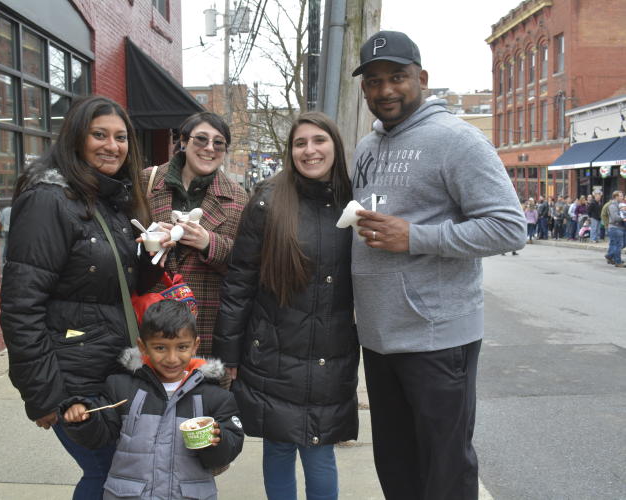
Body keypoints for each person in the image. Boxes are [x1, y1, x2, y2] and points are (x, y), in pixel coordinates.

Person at [349, 31, 526, 499]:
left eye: (397, 78)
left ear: (422, 78)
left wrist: (415, 237)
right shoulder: (366, 148)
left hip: (436, 336)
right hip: (379, 336)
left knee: (445, 469)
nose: (385, 90)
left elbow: (510, 227)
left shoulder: (457, 139)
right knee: (396, 464)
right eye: (373, 81)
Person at [0, 95, 162, 500]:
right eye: (100, 135)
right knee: (108, 474)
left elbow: (119, 286)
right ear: (76, 138)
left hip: (111, 369)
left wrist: (154, 252)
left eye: (121, 137)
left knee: (118, 475)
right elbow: (21, 307)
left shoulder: (110, 200)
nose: (112, 145)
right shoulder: (48, 200)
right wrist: (44, 396)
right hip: (73, 380)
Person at [213, 112, 359, 500]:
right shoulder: (268, 201)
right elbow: (240, 282)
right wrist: (228, 355)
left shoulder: (356, 200)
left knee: (318, 448)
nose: (309, 150)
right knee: (278, 446)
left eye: (319, 141)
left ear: (335, 146)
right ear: (290, 151)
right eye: (300, 143)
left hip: (331, 352)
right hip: (272, 350)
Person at [59, 299, 244, 500]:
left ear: (195, 346)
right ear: (143, 346)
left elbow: (228, 449)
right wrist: (83, 418)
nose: (172, 358)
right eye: (160, 348)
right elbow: (99, 437)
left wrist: (217, 441)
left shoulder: (214, 396)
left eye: (182, 347)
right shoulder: (122, 387)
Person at [141, 112, 248, 360]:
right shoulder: (147, 181)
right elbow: (122, 242)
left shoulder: (238, 198)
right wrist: (150, 241)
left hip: (206, 325)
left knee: (202, 396)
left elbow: (247, 265)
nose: (209, 148)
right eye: (201, 139)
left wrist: (210, 243)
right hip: (151, 317)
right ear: (183, 142)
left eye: (218, 142)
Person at [605, 191, 625, 267]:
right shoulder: (613, 206)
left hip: (618, 228)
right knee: (618, 245)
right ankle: (618, 261)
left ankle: (610, 256)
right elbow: (615, 217)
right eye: (620, 196)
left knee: (616, 245)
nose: (622, 197)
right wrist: (623, 218)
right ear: (616, 197)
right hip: (615, 227)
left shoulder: (619, 205)